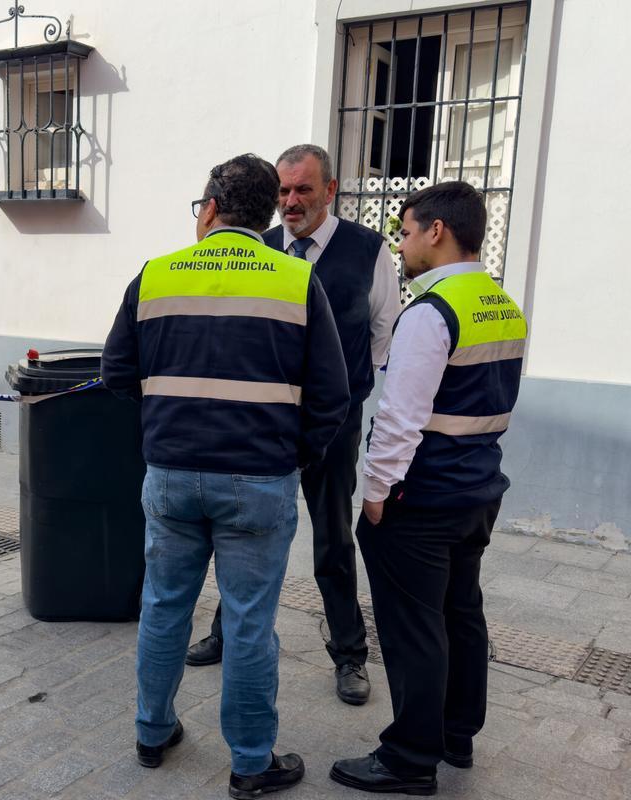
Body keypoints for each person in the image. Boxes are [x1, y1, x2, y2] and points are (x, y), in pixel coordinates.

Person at [101, 154, 350, 798]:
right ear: (267, 212)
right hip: (258, 480)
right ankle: (250, 763)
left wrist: (166, 426)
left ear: (210, 207)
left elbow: (116, 374)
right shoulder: (294, 280)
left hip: (172, 474)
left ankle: (152, 732)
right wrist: (293, 455)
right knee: (247, 622)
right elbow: (331, 396)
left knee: (162, 607)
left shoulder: (156, 276)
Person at [186, 144, 400, 709]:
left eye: (303, 189)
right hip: (265, 422)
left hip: (332, 424)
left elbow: (384, 333)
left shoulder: (367, 251)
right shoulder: (263, 249)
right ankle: (225, 633)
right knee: (241, 533)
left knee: (332, 538)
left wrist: (348, 390)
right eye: (282, 191)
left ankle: (350, 654)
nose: (290, 202)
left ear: (330, 191)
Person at [330, 181, 526, 795]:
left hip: (423, 496)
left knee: (413, 623)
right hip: (477, 491)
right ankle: (455, 735)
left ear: (436, 231)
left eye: (407, 231)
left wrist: (375, 491)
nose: (402, 243)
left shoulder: (430, 312)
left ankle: (410, 757)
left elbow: (399, 415)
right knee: (460, 612)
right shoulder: (501, 304)